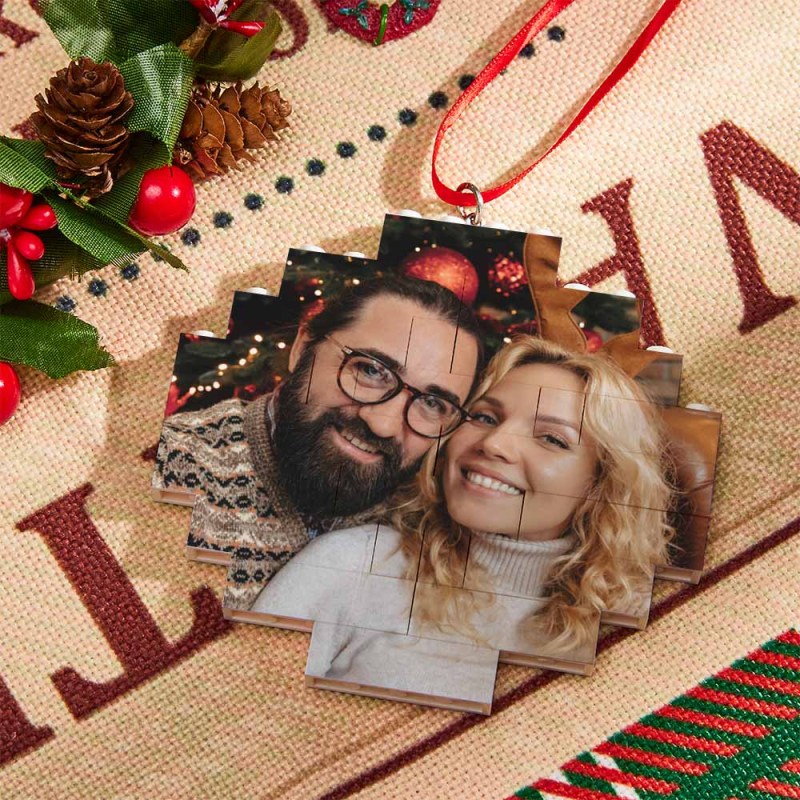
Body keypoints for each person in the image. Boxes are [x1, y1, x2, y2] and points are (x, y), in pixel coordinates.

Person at [246, 336, 674, 675]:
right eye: (485, 417)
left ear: (600, 484)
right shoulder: (354, 564)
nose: (495, 443)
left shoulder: (645, 624)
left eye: (551, 439)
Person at [153, 275, 484, 566]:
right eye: (370, 370)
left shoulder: (431, 537)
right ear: (303, 348)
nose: (383, 425)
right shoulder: (169, 465)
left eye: (432, 403)